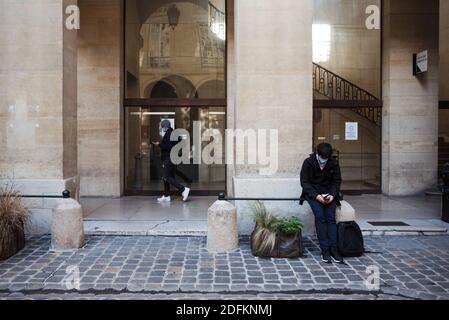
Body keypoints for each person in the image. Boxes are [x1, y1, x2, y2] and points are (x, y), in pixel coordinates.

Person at [300, 143, 343, 264]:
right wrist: (316, 196)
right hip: (313, 195)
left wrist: (332, 195)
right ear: (317, 154)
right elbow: (304, 182)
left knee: (330, 218)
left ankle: (333, 249)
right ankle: (325, 250)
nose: (324, 160)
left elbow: (337, 181)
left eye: (327, 158)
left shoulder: (333, 162)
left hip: (329, 195)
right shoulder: (308, 162)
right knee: (320, 217)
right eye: (322, 158)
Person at [151, 120, 190, 203]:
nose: (162, 128)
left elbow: (168, 146)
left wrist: (159, 144)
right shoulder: (172, 133)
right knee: (167, 176)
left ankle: (183, 189)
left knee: (166, 176)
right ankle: (166, 195)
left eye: (162, 126)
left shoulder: (169, 133)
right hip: (171, 157)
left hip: (169, 158)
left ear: (165, 126)